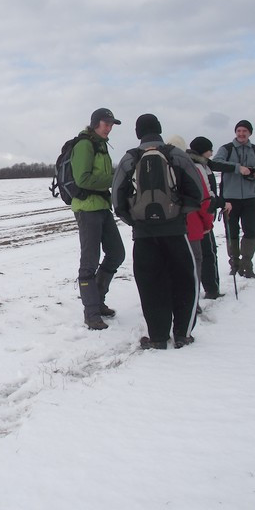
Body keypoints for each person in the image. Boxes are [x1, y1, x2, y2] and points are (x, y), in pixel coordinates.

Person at [111, 114, 204, 349]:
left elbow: (117, 201)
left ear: (137, 133)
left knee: (151, 284)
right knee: (185, 281)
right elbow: (197, 194)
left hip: (144, 235)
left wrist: (136, 221)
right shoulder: (177, 155)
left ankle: (158, 337)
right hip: (175, 232)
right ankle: (183, 334)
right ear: (160, 130)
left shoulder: (130, 159)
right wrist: (179, 213)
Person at [71, 107, 126, 330]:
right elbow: (82, 179)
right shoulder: (85, 145)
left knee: (117, 253)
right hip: (87, 208)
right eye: (106, 123)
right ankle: (91, 312)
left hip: (102, 206)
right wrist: (114, 179)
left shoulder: (101, 145)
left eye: (112, 124)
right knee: (89, 262)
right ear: (95, 123)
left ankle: (98, 299)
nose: (109, 127)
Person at [211, 120, 255, 279]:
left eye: (245, 131)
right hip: (229, 200)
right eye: (239, 131)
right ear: (235, 132)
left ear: (250, 133)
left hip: (250, 199)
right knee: (232, 233)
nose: (241, 134)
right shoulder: (226, 149)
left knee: (251, 232)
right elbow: (214, 163)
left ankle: (247, 266)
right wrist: (238, 168)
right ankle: (234, 265)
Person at [169, 135, 214, 314]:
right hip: (192, 225)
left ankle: (173, 299)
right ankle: (192, 302)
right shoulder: (191, 168)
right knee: (194, 263)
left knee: (172, 264)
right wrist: (207, 223)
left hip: (169, 226)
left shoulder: (160, 167)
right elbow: (203, 199)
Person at [187, 136, 226, 299]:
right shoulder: (199, 167)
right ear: (204, 150)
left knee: (200, 256)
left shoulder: (195, 164)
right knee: (208, 254)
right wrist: (216, 205)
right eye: (210, 149)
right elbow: (206, 194)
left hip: (195, 219)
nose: (212, 152)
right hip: (201, 219)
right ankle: (211, 289)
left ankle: (204, 290)